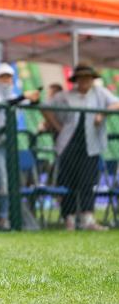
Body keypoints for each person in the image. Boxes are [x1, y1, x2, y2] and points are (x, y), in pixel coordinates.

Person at [42, 64, 119, 231]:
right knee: (68, 182)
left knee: (87, 181)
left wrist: (102, 113)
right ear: (76, 80)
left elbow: (116, 103)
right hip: (68, 144)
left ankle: (87, 218)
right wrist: (57, 126)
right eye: (81, 78)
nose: (85, 81)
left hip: (91, 145)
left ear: (92, 79)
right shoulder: (65, 96)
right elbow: (45, 107)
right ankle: (69, 218)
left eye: (88, 77)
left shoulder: (100, 93)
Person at [0, 63, 40, 231]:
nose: (6, 80)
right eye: (3, 77)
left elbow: (28, 104)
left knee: (9, 184)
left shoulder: (13, 94)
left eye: (9, 77)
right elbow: (4, 104)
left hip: (8, 144)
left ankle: (2, 218)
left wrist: (34, 98)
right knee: (2, 186)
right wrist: (24, 96)